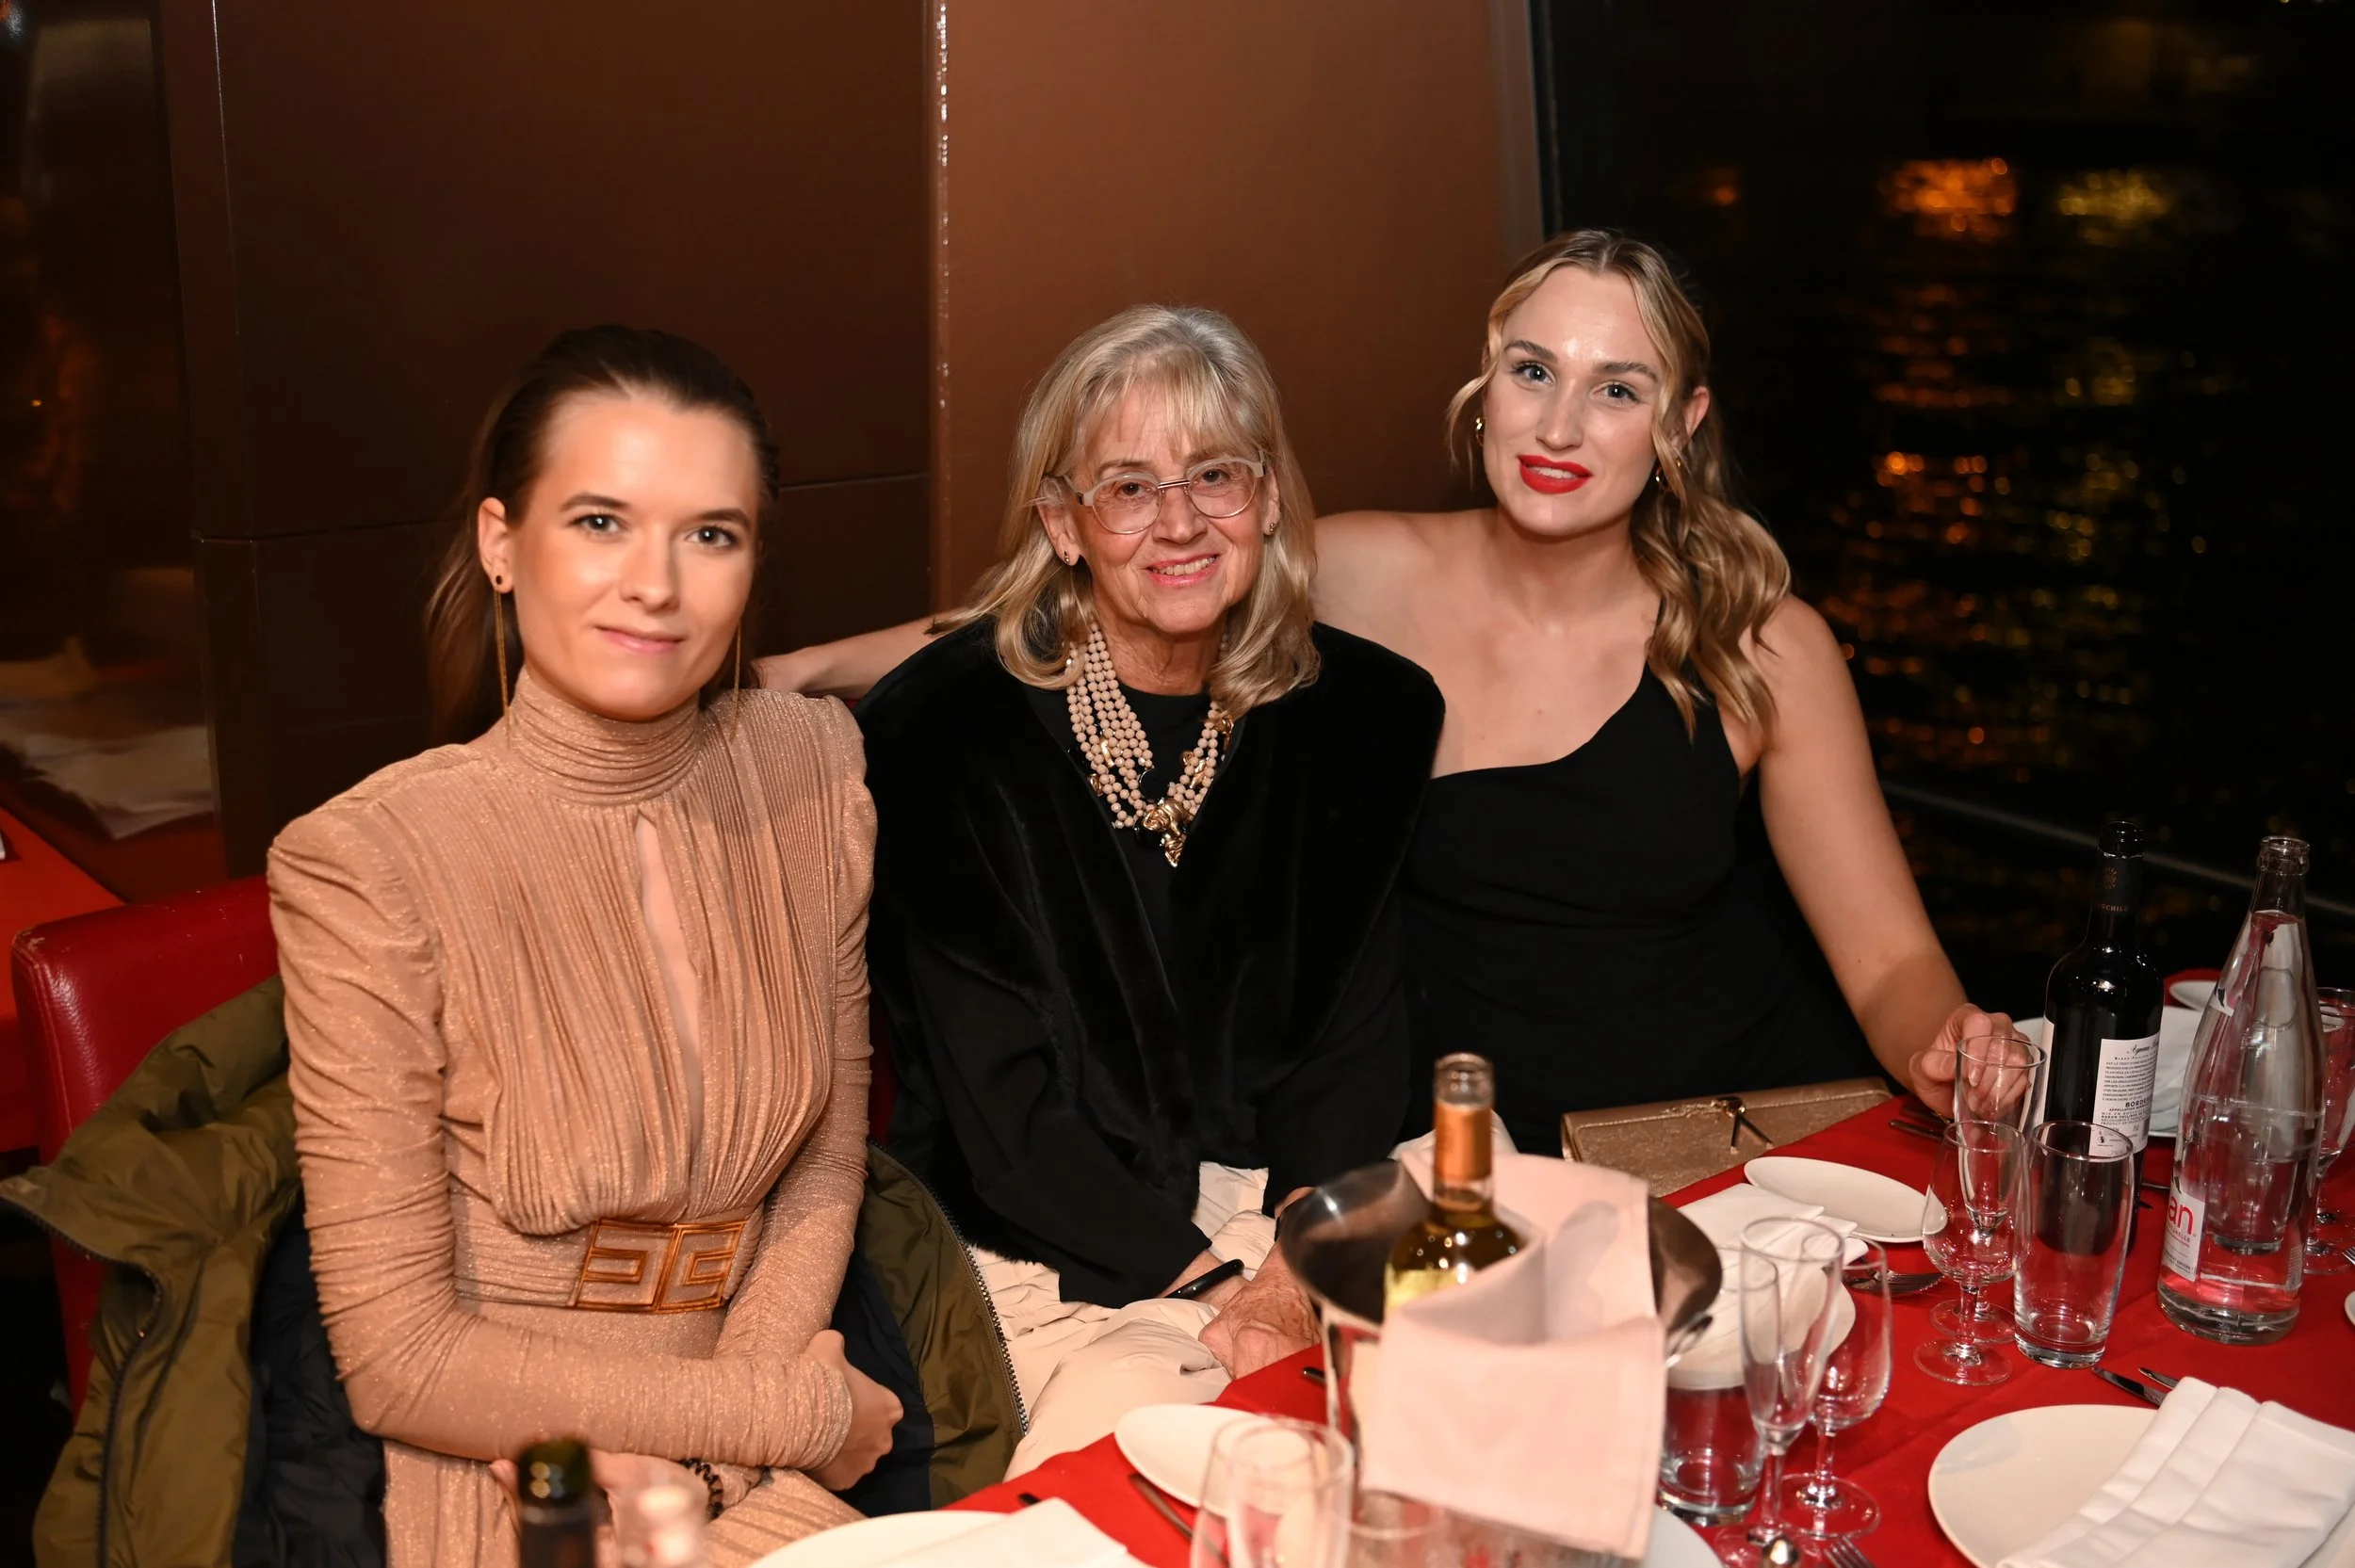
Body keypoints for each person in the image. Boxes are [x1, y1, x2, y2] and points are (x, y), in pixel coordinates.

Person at [766, 233, 2006, 1154]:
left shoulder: (1765, 642)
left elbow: (1895, 961)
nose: (1561, 422)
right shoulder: (1357, 572)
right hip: (1473, 1164)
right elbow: (1088, 603)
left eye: (1617, 388)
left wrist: (1947, 1043)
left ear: (1678, 424)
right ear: (1487, 380)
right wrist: (805, 669)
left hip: (1737, 1147)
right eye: (1534, 370)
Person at [268, 326, 901, 1566]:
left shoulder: (810, 764)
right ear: (502, 543)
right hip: (517, 1464)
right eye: (601, 522)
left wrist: (739, 1458)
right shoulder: (368, 861)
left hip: (770, 1433)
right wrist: (795, 1412)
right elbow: (402, 1359)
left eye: (710, 533)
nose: (656, 584)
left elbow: (824, 1150)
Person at [853, 305, 1442, 1470]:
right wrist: (1209, 1290)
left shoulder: (1361, 717)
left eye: (1213, 475)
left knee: (1483, 1421)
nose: (1178, 523)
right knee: (1148, 1464)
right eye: (1128, 488)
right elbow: (1000, 1111)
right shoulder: (945, 731)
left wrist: (1288, 1269)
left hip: (1299, 1204)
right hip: (1043, 1243)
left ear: (1268, 497)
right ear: (1064, 525)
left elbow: (1352, 1046)